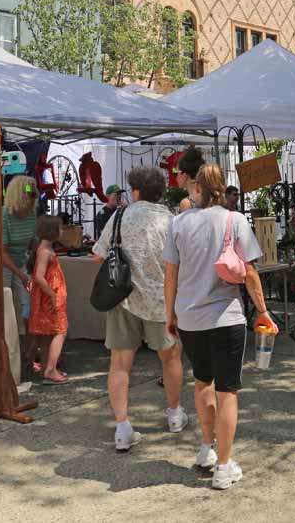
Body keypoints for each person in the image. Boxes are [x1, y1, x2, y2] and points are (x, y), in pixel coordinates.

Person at [164, 163, 276, 490]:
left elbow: (170, 274)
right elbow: (252, 272)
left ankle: (206, 449)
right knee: (228, 390)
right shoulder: (234, 220)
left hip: (189, 318)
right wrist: (263, 311)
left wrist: (169, 313)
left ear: (198, 188)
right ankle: (224, 466)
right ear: (221, 189)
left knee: (202, 382)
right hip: (226, 317)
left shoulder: (179, 224)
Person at [92, 167, 187, 452]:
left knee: (120, 364)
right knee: (171, 358)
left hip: (125, 299)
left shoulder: (120, 216)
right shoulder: (172, 221)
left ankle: (122, 427)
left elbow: (99, 256)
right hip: (162, 301)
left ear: (135, 191)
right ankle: (174, 414)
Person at [0, 176, 39, 371]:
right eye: (29, 195)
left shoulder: (32, 214)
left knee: (29, 304)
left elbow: (34, 241)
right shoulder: (4, 215)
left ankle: (29, 350)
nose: (32, 200)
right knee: (3, 305)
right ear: (19, 197)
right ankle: (2, 351)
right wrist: (23, 275)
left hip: (19, 263)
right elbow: (1, 252)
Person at [27, 216, 69, 385]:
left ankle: (47, 367)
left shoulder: (44, 248)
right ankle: (51, 369)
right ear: (52, 231)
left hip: (49, 297)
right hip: (50, 298)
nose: (62, 231)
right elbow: (38, 276)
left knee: (48, 333)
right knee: (61, 331)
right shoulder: (45, 251)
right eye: (60, 229)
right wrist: (52, 294)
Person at [175, 146, 205, 212]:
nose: (176, 177)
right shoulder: (207, 196)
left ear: (185, 175)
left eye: (176, 172)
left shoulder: (186, 203)